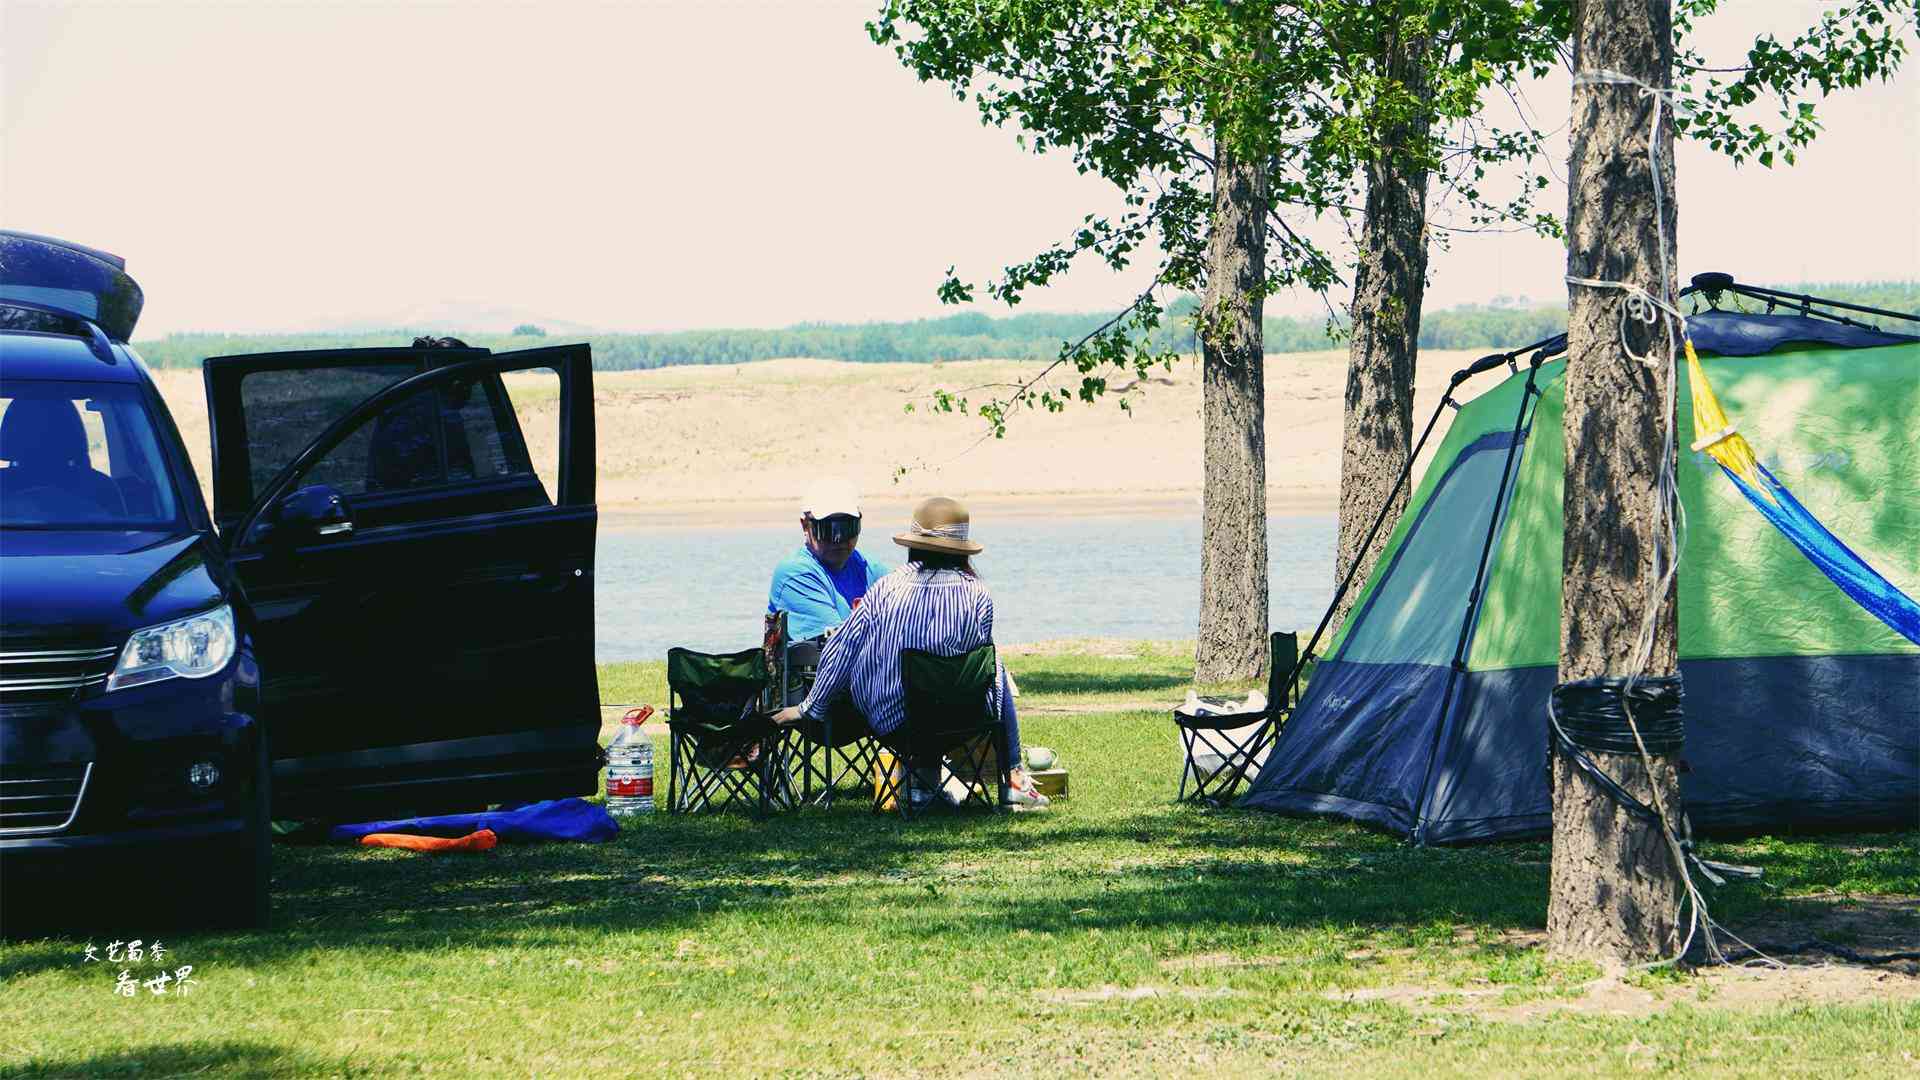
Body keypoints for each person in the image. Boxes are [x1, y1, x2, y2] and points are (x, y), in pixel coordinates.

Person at [771, 495, 1049, 810]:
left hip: (895, 722)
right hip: (965, 718)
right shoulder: (978, 593)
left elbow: (842, 647)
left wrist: (811, 707)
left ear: (914, 544)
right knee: (993, 664)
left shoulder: (887, 588)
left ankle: (922, 787)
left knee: (898, 672)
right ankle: (1012, 776)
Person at [767, 480, 888, 641]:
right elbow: (840, 645)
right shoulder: (795, 574)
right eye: (826, 529)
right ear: (805, 526)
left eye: (847, 528)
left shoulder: (871, 569)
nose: (838, 539)